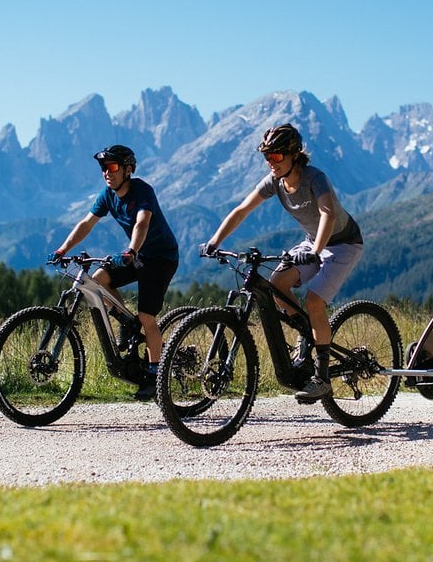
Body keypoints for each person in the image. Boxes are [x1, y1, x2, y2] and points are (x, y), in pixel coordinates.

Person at [202, 123, 364, 404]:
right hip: (312, 241)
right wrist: (214, 241)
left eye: (276, 156)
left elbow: (327, 214)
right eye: (266, 157)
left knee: (314, 302)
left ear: (294, 154)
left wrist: (315, 250)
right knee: (277, 284)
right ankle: (306, 333)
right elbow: (242, 210)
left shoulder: (315, 178)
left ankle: (322, 378)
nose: (270, 163)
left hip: (342, 243)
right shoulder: (274, 182)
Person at [54, 144, 179, 400]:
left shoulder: (142, 190)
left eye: (112, 167)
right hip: (137, 255)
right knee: (98, 280)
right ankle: (127, 323)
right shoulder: (107, 195)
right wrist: (62, 249)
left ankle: (156, 376)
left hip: (160, 258)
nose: (106, 172)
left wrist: (131, 250)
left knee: (147, 317)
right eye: (103, 168)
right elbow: (86, 223)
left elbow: (142, 223)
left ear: (127, 169)